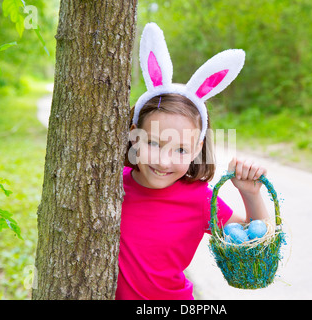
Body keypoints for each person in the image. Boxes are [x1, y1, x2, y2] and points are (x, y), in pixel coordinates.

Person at [115, 23, 269, 300]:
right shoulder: (111, 183)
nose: (164, 161)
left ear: (198, 149)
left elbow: (256, 241)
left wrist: (250, 194)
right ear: (133, 135)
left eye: (181, 150)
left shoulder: (199, 200)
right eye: (153, 143)